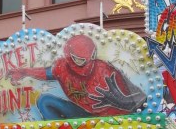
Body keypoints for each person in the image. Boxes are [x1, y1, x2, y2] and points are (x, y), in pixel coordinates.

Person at [8, 34, 147, 120]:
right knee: (45, 100)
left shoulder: (106, 71)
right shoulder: (62, 68)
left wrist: (125, 103)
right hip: (87, 116)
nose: (89, 64)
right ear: (70, 58)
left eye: (92, 57)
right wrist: (24, 72)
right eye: (81, 60)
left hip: (112, 120)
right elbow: (46, 73)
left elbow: (142, 99)